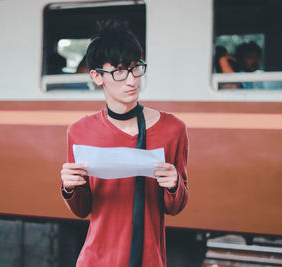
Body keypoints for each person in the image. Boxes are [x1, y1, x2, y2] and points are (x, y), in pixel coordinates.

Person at [60, 19, 189, 267]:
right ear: (97, 77)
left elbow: (174, 208)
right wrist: (69, 188)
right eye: (119, 71)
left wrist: (175, 186)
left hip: (149, 260)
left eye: (136, 68)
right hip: (95, 260)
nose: (132, 80)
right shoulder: (80, 132)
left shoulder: (173, 129)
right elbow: (82, 209)